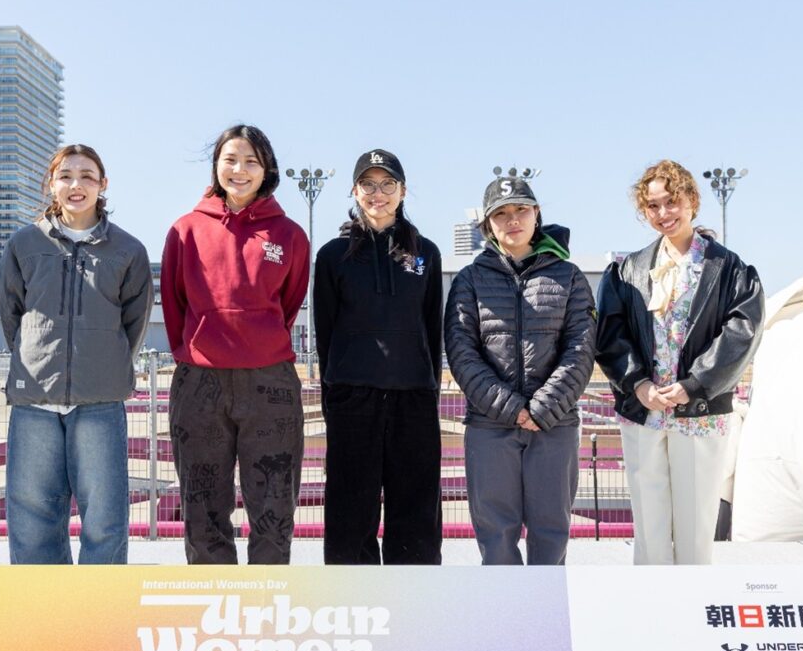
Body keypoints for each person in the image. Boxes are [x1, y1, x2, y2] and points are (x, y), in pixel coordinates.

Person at [595, 159, 764, 565]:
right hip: (645, 411)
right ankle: (653, 602)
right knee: (649, 530)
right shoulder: (629, 269)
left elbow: (743, 331)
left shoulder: (729, 268)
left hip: (700, 411)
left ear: (692, 200)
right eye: (652, 206)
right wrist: (637, 384)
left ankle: (692, 599)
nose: (663, 213)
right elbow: (611, 334)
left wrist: (694, 384)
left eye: (671, 201)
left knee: (694, 529)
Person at [0, 144, 153, 564]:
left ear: (103, 185)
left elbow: (134, 323)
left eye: (87, 176)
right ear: (51, 184)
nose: (76, 184)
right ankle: (42, 603)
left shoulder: (128, 250)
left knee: (104, 518)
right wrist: (38, 358)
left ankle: (98, 604)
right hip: (35, 400)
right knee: (32, 517)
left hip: (100, 401)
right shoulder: (24, 244)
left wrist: (102, 363)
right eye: (65, 175)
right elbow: (11, 314)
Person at [161, 124, 309, 564]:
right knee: (202, 502)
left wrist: (256, 342)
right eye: (230, 160)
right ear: (216, 166)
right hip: (199, 381)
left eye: (251, 161)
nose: (239, 170)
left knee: (274, 504)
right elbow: (174, 304)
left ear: (267, 170)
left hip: (270, 381)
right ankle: (214, 595)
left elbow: (289, 303)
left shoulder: (289, 235)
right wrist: (201, 347)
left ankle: (267, 597)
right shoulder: (186, 230)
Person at [445, 174, 595, 565]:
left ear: (537, 213)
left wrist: (543, 408)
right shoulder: (470, 281)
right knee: (495, 537)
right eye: (501, 214)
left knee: (551, 534)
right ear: (487, 225)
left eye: (521, 210)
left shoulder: (569, 277)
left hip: (554, 425)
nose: (513, 219)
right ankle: (503, 606)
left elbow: (579, 350)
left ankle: (546, 607)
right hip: (490, 425)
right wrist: (511, 408)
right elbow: (462, 353)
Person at [313, 148, 443, 564]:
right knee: (350, 510)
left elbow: (432, 328)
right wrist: (334, 393)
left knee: (416, 511)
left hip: (413, 397)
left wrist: (429, 388)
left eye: (388, 184)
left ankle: (415, 595)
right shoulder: (332, 256)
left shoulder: (426, 253)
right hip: (353, 397)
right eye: (368, 184)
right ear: (354, 191)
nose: (378, 193)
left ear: (403, 191)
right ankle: (352, 593)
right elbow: (325, 332)